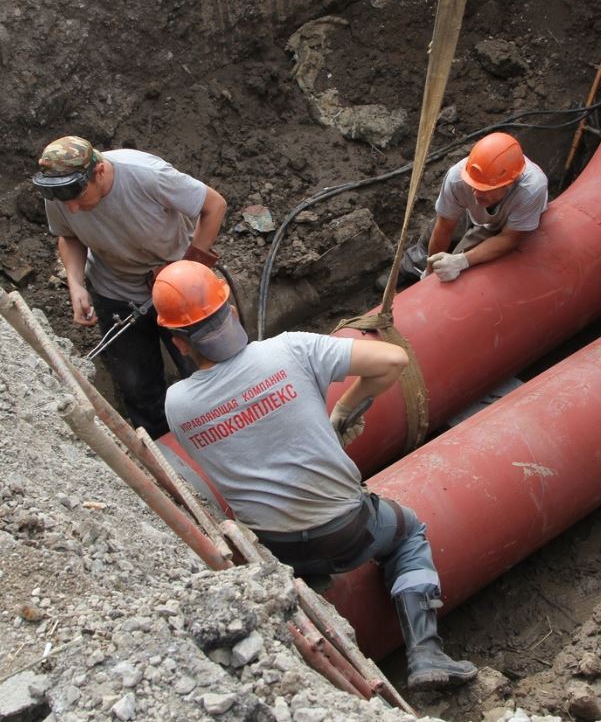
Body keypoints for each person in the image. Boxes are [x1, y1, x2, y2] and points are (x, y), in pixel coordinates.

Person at [153, 260, 478, 691]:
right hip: (348, 530)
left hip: (276, 550)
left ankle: (312, 582)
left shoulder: (176, 405)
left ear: (178, 343)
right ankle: (425, 653)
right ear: (230, 310)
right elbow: (393, 358)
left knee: (295, 540)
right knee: (408, 532)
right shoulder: (288, 350)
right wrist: (344, 410)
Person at [31, 135, 227, 439]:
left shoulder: (145, 174)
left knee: (208, 369)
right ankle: (167, 453)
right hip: (116, 289)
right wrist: (76, 283)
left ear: (98, 172)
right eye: (63, 200)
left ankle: (223, 433)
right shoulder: (63, 191)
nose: (71, 207)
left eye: (78, 196)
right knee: (138, 385)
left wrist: (190, 268)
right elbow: (69, 236)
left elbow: (214, 206)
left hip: (177, 282)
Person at [399, 131, 548, 284]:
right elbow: (444, 228)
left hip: (502, 224)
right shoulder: (457, 178)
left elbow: (509, 238)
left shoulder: (531, 190)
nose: (476, 194)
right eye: (473, 185)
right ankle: (409, 269)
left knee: (455, 264)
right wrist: (429, 271)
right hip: (472, 211)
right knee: (430, 239)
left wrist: (461, 260)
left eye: (485, 189)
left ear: (508, 184)